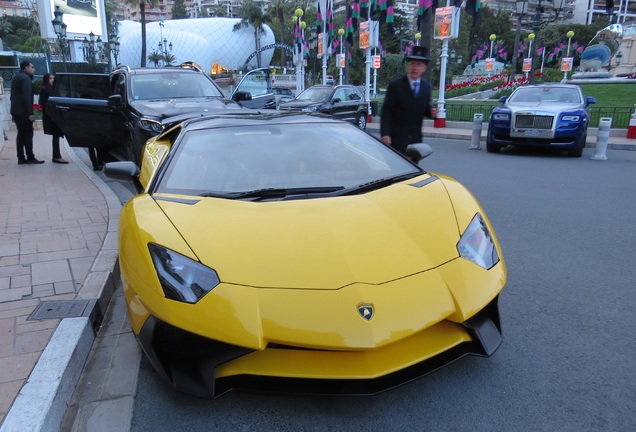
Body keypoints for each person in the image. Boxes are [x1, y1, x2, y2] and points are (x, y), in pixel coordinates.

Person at [380, 46, 438, 155]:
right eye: (412, 63)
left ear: (424, 68)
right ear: (407, 66)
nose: (414, 67)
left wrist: (432, 113)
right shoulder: (396, 86)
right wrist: (385, 134)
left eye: (419, 64)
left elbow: (425, 108)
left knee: (415, 170)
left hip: (416, 141)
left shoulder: (426, 87)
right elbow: (386, 112)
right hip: (396, 140)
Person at [11, 61, 44, 164]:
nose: (33, 69)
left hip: (17, 111)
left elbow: (13, 97)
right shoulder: (25, 79)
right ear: (26, 67)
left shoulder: (16, 77)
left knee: (21, 134)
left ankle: (21, 157)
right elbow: (26, 97)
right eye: (32, 67)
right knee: (28, 134)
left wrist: (13, 112)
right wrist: (30, 113)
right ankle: (30, 156)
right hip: (24, 112)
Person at [38, 73, 68, 164]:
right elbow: (44, 104)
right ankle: (57, 156)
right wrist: (51, 115)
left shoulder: (53, 89)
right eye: (50, 78)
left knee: (57, 136)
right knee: (56, 135)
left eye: (53, 78)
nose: (52, 80)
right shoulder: (45, 89)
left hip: (55, 115)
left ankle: (56, 155)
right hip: (51, 116)